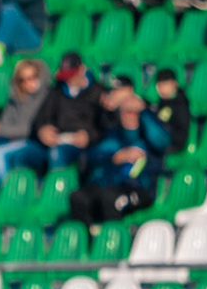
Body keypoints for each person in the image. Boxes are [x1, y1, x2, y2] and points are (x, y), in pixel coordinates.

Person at [69, 91, 168, 225]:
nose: (132, 116)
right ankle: (90, 235)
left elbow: (162, 140)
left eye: (136, 112)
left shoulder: (149, 138)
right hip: (112, 184)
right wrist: (115, 157)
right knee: (78, 197)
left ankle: (115, 236)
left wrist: (144, 111)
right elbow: (92, 155)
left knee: (111, 200)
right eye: (128, 112)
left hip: (140, 188)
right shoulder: (115, 136)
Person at [0, 57, 52, 182]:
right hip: (12, 141)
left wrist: (1, 129)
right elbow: (6, 122)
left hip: (34, 144)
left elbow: (30, 130)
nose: (28, 83)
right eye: (23, 80)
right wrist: (1, 129)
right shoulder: (15, 99)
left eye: (32, 77)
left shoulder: (47, 97)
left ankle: (7, 190)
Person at [31, 52, 101, 172]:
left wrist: (89, 136)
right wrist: (43, 130)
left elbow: (104, 124)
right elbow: (42, 117)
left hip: (87, 146)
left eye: (71, 75)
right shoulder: (56, 91)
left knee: (57, 153)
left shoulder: (98, 92)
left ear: (81, 70)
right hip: (58, 140)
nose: (68, 80)